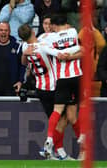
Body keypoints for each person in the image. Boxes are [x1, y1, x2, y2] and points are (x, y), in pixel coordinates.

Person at [18, 23, 80, 160]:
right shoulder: (43, 45)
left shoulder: (25, 48)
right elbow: (60, 52)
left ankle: (59, 151)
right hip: (53, 86)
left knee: (58, 119)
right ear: (33, 32)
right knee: (63, 118)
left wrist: (24, 54)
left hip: (40, 88)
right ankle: (50, 148)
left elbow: (23, 63)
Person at [40, 14, 82, 159]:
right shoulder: (74, 32)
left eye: (49, 24)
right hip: (75, 77)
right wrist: (69, 53)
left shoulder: (48, 38)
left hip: (61, 79)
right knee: (70, 116)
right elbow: (81, 49)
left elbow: (43, 48)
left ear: (53, 25)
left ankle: (50, 140)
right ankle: (80, 145)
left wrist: (60, 54)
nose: (48, 27)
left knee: (61, 113)